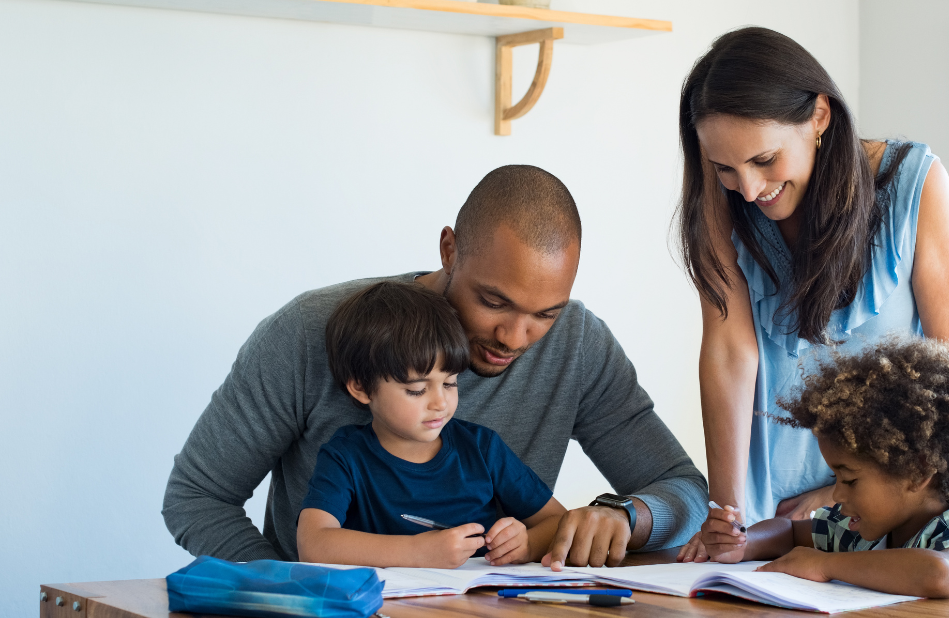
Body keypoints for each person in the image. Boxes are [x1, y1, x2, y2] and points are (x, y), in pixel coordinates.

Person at [163, 165, 707, 568]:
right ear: (449, 249)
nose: (515, 338)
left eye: (545, 314)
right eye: (494, 302)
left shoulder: (578, 344)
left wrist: (626, 516)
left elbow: (683, 489)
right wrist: (290, 593)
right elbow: (196, 497)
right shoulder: (310, 332)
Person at [674, 27, 949, 562]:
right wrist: (726, 514)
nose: (749, 189)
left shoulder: (914, 184)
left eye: (764, 160)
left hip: (897, 509)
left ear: (819, 116)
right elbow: (730, 354)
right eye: (725, 168)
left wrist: (840, 495)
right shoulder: (722, 203)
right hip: (768, 515)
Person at [701, 337, 949, 596]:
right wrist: (744, 543)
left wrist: (824, 565)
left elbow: (939, 574)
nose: (836, 495)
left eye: (849, 480)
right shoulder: (859, 530)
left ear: (918, 471)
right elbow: (790, 533)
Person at [297, 282, 566, 569]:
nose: (440, 403)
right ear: (362, 388)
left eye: (450, 383)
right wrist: (417, 552)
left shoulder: (481, 448)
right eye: (417, 389)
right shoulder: (345, 456)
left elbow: (559, 521)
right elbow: (314, 544)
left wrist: (527, 544)